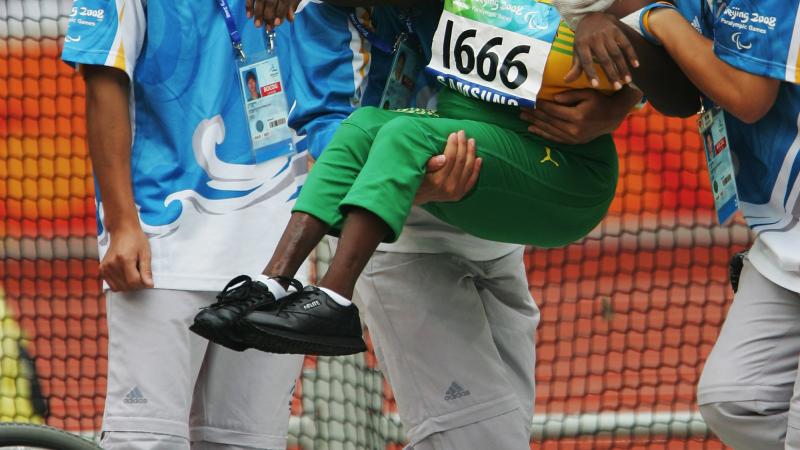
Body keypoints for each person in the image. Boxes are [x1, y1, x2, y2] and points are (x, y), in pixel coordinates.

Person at [192, 0, 697, 357]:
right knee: (363, 128)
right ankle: (273, 282)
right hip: (478, 145)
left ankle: (336, 302)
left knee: (404, 134)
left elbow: (680, 94)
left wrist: (611, 31)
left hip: (561, 169)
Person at [60, 1, 309, 448]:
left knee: (248, 443)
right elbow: (104, 80)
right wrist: (121, 225)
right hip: (162, 250)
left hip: (278, 254)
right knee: (145, 442)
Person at [560, 1, 800, 448]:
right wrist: (597, 19)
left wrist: (657, 18)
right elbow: (681, 94)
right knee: (733, 398)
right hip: (783, 232)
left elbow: (747, 96)